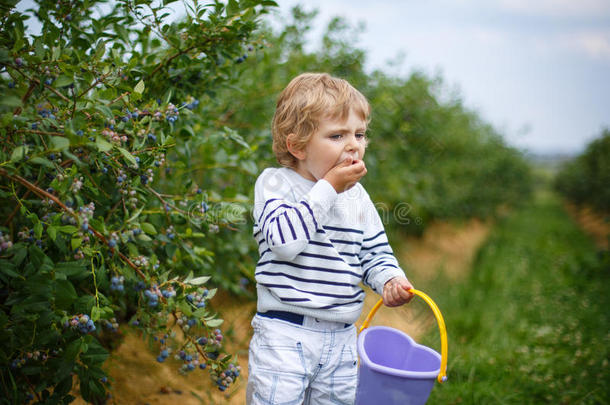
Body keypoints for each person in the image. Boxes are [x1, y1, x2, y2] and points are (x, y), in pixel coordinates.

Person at [247, 72, 414, 405]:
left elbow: (373, 252)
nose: (353, 144)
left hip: (341, 339)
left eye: (360, 134)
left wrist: (390, 280)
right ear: (297, 146)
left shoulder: (358, 197)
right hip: (285, 333)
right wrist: (329, 189)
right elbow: (285, 242)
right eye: (337, 135)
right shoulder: (276, 185)